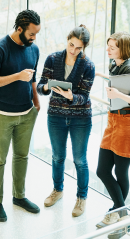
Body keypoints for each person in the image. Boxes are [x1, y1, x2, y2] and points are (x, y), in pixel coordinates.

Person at [0, 9, 42, 222]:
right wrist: (17, 76)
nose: (34, 38)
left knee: (22, 156)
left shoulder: (33, 49)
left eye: (36, 34)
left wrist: (36, 100)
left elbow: (33, 78)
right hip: (2, 114)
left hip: (27, 113)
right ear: (19, 29)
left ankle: (19, 197)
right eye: (32, 34)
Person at [95, 32, 130, 239]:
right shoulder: (115, 66)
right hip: (114, 122)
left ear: (123, 50)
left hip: (127, 124)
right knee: (102, 170)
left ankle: (118, 214)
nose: (108, 50)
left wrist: (118, 95)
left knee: (121, 172)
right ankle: (121, 212)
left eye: (113, 47)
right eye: (108, 45)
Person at [37, 24, 95, 217]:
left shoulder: (88, 66)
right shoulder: (53, 59)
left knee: (80, 160)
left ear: (83, 48)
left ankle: (81, 198)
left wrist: (72, 97)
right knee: (57, 156)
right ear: (67, 40)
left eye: (78, 48)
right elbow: (40, 86)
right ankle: (58, 190)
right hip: (56, 116)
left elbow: (85, 96)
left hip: (80, 119)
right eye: (71, 45)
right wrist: (46, 89)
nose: (73, 50)